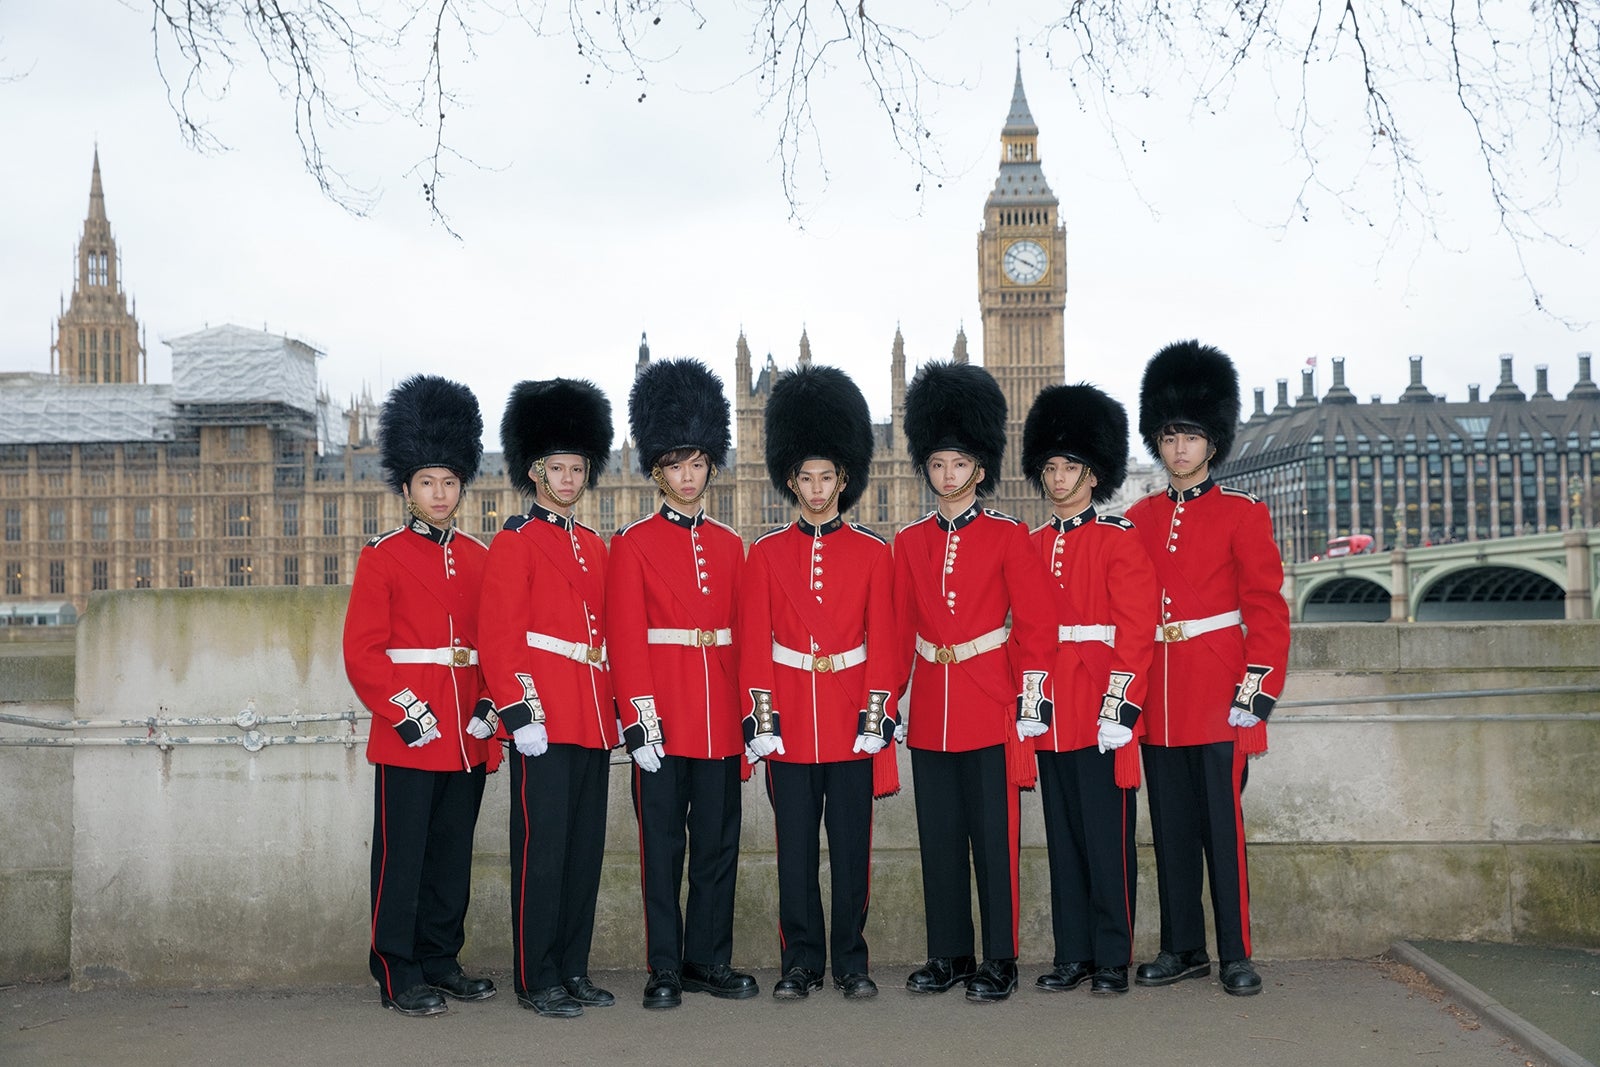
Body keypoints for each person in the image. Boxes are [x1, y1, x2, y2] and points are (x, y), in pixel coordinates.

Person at [1123, 340, 1291, 998]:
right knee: (1169, 833)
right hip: (1159, 699)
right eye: (1168, 437)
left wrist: (1255, 691)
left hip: (1219, 694)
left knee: (1223, 833)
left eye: (1190, 436)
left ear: (1212, 442)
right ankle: (1182, 948)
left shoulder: (1243, 514)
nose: (1179, 448)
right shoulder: (1138, 519)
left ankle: (1236, 953)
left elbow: (1266, 612)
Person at [894, 361, 1056, 1004]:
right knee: (938, 842)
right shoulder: (909, 542)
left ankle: (1000, 958)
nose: (947, 475)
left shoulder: (1009, 536)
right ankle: (950, 954)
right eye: (937, 464)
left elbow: (1036, 627)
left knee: (995, 843)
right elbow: (898, 630)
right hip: (932, 709)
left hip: (990, 702)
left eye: (958, 464)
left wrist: (1030, 699)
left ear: (980, 469)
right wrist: (887, 701)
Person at [738, 364, 899, 1001]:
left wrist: (877, 713)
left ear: (844, 479)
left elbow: (885, 641)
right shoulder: (765, 553)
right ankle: (800, 961)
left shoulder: (873, 552)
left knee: (853, 851)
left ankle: (851, 962)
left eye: (826, 477)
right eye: (805, 478)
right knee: (796, 852)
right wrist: (762, 718)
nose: (815, 489)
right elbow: (755, 643)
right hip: (790, 727)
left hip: (850, 722)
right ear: (790, 480)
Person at [341, 374, 501, 1017]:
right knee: (401, 857)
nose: (439, 493)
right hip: (413, 729)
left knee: (451, 856)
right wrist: (406, 710)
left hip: (467, 733)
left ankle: (440, 958)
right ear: (406, 488)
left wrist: (488, 703)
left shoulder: (481, 557)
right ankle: (396, 967)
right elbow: (363, 653)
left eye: (450, 482)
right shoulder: (381, 556)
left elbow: (493, 644)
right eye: (427, 482)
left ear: (462, 486)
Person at [606, 357, 758, 1009]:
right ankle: (664, 965)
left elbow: (746, 638)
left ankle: (707, 960)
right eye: (676, 465)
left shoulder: (730, 544)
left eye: (697, 463)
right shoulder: (632, 543)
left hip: (720, 718)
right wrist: (640, 721)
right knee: (663, 849)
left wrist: (754, 715)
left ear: (710, 465)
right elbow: (625, 638)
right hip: (663, 718)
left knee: (719, 847)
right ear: (658, 471)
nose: (688, 476)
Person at [477, 378, 618, 1018]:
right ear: (535, 471)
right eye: (557, 468)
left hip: (590, 715)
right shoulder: (515, 541)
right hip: (545, 717)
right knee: (542, 852)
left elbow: (604, 637)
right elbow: (501, 636)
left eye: (577, 469)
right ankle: (536, 977)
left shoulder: (594, 546)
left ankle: (572, 968)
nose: (568, 479)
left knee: (584, 853)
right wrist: (519, 711)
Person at [1020, 383, 1158, 996]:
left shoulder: (1118, 537)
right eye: (1050, 467)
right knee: (1065, 840)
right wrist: (1030, 699)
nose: (1057, 478)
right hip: (1054, 712)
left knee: (1107, 841)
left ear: (1092, 473)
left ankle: (1111, 957)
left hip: (1100, 705)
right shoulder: (1032, 545)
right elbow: (1028, 633)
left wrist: (1119, 705)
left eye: (1068, 467)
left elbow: (1135, 629)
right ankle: (1072, 953)